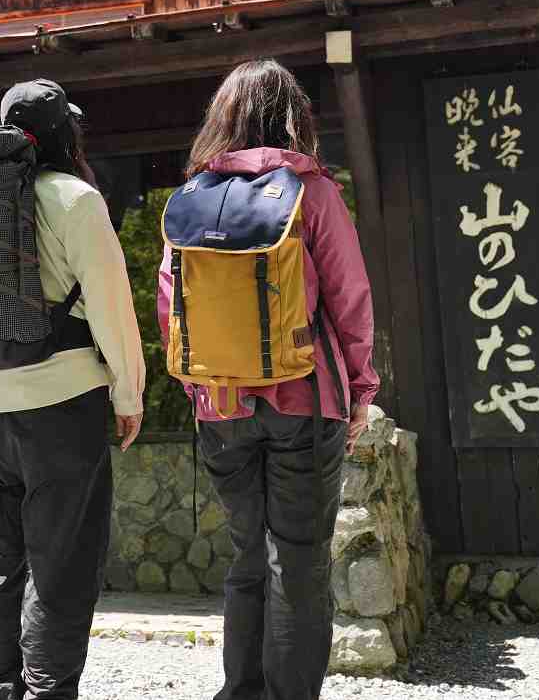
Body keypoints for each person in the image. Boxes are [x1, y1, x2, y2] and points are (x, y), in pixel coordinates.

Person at [158, 59, 378, 700]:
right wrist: (361, 389)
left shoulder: (189, 201)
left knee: (248, 556)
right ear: (294, 116)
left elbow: (172, 311)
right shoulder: (312, 193)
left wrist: (205, 388)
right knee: (300, 559)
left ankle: (240, 693)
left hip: (220, 410)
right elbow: (349, 297)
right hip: (305, 400)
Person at [0, 79, 145, 700]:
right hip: (63, 408)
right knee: (60, 565)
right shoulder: (75, 199)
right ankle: (48, 694)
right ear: (66, 136)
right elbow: (112, 308)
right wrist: (129, 396)